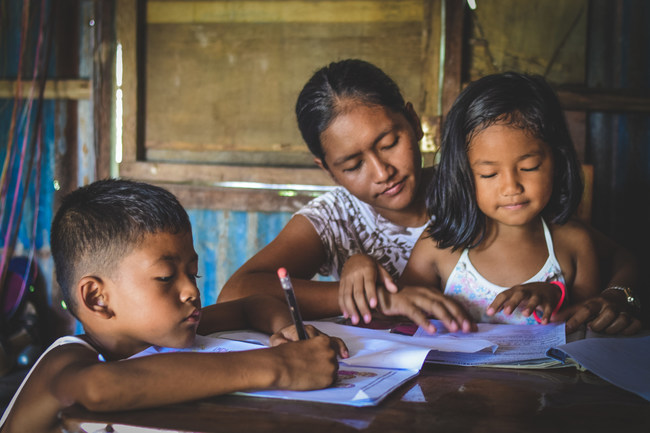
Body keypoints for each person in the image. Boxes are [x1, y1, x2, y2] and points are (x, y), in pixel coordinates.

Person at [217, 59, 640, 335]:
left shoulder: (478, 185)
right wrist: (374, 295)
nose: (383, 172)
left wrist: (615, 296)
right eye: (352, 165)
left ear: (414, 121)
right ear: (326, 168)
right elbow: (237, 292)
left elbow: (615, 260)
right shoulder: (333, 219)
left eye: (388, 142)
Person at [0, 179, 347, 433]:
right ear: (97, 298)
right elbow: (99, 388)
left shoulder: (162, 333)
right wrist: (279, 366)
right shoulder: (68, 359)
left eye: (192, 273)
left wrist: (285, 328)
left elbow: (251, 305)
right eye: (166, 277)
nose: (191, 292)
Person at [398, 72, 642, 335]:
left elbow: (586, 327)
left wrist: (556, 295)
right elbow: (400, 313)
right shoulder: (438, 246)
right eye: (489, 174)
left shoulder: (575, 244)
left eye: (529, 167)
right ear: (464, 174)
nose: (512, 187)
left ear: (556, 161)